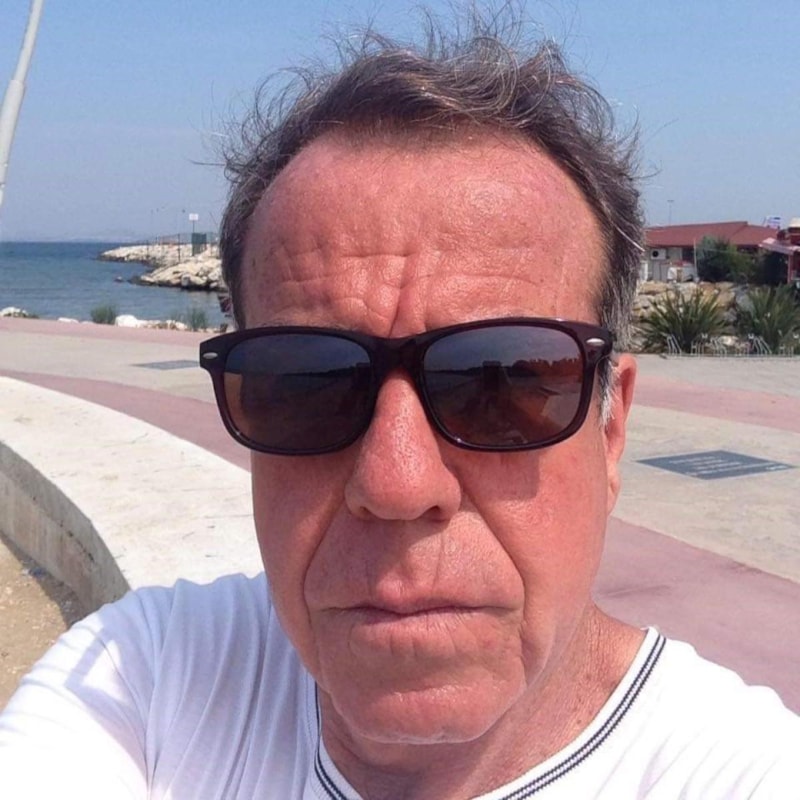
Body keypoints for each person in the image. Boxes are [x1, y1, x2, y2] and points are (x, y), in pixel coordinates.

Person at [1, 10, 799, 799]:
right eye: (308, 382)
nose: (396, 483)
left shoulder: (746, 772)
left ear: (611, 429)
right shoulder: (145, 679)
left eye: (502, 382)